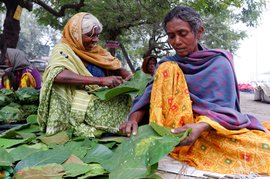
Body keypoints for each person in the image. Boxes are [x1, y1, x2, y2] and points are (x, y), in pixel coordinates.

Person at [120, 6, 270, 175]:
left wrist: (200, 127)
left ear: (199, 32)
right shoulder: (166, 65)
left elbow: (227, 110)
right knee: (167, 68)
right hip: (174, 131)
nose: (176, 41)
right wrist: (133, 119)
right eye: (171, 36)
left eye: (182, 34)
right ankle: (171, 139)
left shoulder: (219, 63)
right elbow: (147, 96)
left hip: (209, 129)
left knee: (263, 152)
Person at [37, 12, 132, 137]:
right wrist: (100, 80)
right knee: (57, 86)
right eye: (90, 35)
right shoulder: (63, 50)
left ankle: (122, 124)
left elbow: (115, 67)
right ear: (76, 35)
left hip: (100, 99)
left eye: (97, 35)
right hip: (79, 104)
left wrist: (128, 76)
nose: (95, 40)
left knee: (131, 101)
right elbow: (56, 75)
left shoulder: (97, 52)